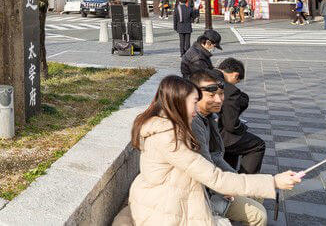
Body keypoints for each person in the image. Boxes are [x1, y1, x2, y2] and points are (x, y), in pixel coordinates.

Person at [127, 75, 301, 226]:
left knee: (256, 200)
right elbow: (215, 178)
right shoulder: (169, 138)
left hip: (169, 199)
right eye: (194, 102)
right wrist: (274, 182)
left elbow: (212, 167)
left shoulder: (169, 125)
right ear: (179, 102)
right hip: (165, 211)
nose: (196, 110)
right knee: (256, 214)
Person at [189, 70, 268, 226]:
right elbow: (204, 168)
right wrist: (227, 187)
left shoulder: (208, 116)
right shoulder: (193, 122)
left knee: (257, 192)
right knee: (259, 216)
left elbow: (216, 156)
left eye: (221, 94)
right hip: (199, 194)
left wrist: (237, 179)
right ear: (194, 95)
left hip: (210, 182)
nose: (219, 100)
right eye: (212, 95)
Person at [218, 58, 266, 175]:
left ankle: (230, 179)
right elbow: (231, 125)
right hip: (213, 133)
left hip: (203, 127)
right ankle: (245, 183)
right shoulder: (228, 89)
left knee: (236, 144)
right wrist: (242, 127)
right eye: (237, 81)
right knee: (258, 145)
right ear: (235, 75)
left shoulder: (204, 74)